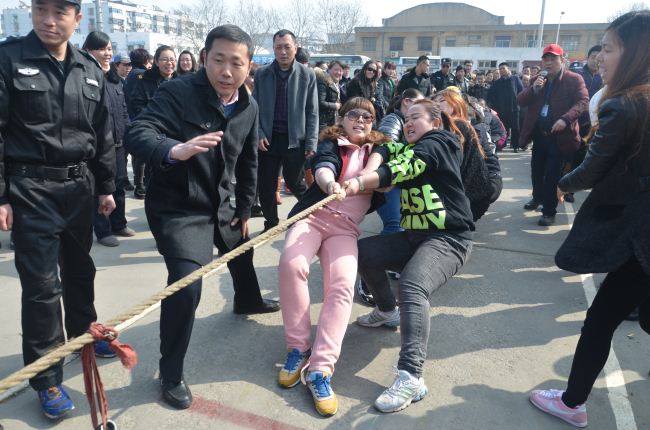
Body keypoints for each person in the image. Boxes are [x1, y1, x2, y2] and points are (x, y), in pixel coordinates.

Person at [124, 24, 280, 411]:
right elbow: (138, 131)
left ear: (249, 66)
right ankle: (171, 373)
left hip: (222, 202)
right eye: (218, 60)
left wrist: (244, 208)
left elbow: (249, 162)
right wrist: (173, 150)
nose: (226, 71)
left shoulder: (248, 106)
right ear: (204, 58)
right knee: (186, 285)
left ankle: (247, 300)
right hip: (179, 207)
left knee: (241, 247)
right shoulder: (178, 92)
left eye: (236, 63)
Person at [529, 10, 650, 428]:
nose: (600, 59)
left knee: (599, 321)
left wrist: (563, 185)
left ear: (635, 52)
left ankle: (572, 402)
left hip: (638, 235)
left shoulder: (626, 104)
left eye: (610, 49)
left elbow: (594, 168)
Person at [0, 0, 117, 419]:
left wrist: (106, 186)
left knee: (80, 270)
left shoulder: (89, 69)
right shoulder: (9, 59)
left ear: (77, 18)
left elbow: (102, 133)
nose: (48, 20)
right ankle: (47, 377)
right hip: (30, 188)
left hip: (79, 189)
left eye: (60, 12)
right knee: (43, 287)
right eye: (40, 9)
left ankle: (85, 335)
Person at [345, 99, 474, 413]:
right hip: (414, 237)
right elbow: (387, 150)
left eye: (416, 117)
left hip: (449, 239)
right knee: (363, 253)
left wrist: (361, 181)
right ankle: (386, 311)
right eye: (406, 119)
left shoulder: (439, 144)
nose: (409, 123)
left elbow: (405, 166)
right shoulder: (408, 147)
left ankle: (411, 376)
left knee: (412, 286)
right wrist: (371, 170)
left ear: (435, 122)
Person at [277, 97, 389, 417]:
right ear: (341, 119)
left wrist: (365, 180)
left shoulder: (381, 151)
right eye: (353, 114)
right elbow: (323, 166)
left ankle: (320, 369)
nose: (360, 120)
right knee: (291, 264)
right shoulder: (332, 142)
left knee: (342, 285)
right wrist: (329, 185)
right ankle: (298, 348)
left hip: (345, 229)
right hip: (313, 217)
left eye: (367, 116)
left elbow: (388, 178)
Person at [252, 29, 318, 231]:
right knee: (266, 185)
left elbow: (312, 111)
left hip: (294, 140)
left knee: (295, 182)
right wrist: (259, 134)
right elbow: (254, 109)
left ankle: (311, 216)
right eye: (278, 47)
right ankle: (271, 223)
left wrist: (311, 142)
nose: (283, 52)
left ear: (295, 48)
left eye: (287, 47)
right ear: (273, 49)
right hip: (268, 140)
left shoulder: (307, 75)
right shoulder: (262, 74)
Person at [517, 44, 589, 226]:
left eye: (553, 59)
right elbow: (521, 100)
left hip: (560, 137)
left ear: (562, 60)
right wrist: (534, 89)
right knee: (536, 170)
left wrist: (566, 119)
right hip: (540, 135)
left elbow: (583, 101)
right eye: (546, 59)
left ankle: (549, 211)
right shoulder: (538, 79)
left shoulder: (574, 79)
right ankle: (537, 198)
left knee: (551, 175)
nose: (548, 63)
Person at [83, 31, 136, 247]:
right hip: (96, 148)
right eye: (101, 49)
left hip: (118, 144)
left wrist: (127, 134)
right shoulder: (85, 78)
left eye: (109, 49)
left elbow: (123, 111)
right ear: (88, 51)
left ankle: (118, 223)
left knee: (119, 185)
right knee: (100, 190)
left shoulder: (115, 81)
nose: (107, 53)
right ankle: (103, 230)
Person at [433, 90, 495, 221]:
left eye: (442, 101)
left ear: (456, 104)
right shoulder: (445, 125)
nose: (437, 104)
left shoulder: (458, 125)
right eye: (435, 102)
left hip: (466, 192)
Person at [127, 45, 177, 200]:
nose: (169, 63)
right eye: (165, 59)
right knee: (153, 175)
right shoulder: (145, 80)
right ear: (156, 61)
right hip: (154, 133)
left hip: (175, 135)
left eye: (172, 59)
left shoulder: (181, 81)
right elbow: (136, 104)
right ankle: (142, 187)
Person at [487, 62, 524, 152]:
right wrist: (496, 106)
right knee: (504, 128)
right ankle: (502, 145)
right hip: (502, 110)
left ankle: (515, 146)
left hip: (514, 109)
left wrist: (519, 103)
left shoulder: (515, 79)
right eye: (500, 69)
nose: (502, 70)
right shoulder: (497, 82)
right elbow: (491, 95)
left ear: (508, 69)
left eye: (503, 68)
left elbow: (521, 91)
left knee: (515, 128)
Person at [316, 60, 342, 130]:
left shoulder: (336, 83)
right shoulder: (323, 81)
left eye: (340, 71)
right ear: (329, 69)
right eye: (336, 70)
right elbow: (319, 102)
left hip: (332, 121)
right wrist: (335, 106)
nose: (339, 72)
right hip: (323, 122)